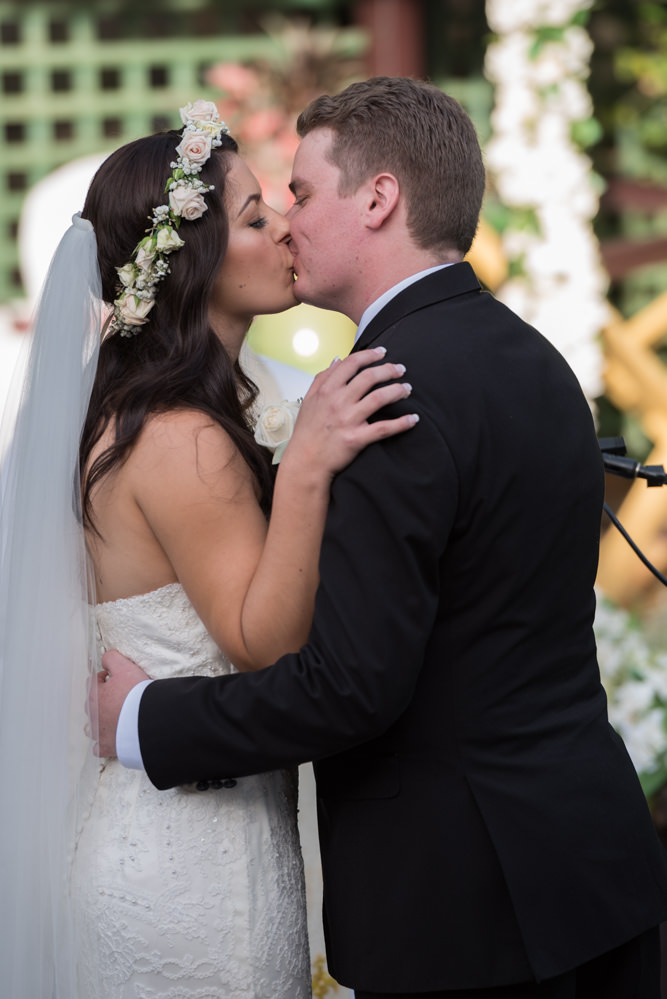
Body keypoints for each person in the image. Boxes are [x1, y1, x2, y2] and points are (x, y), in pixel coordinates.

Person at [95, 77, 667, 999]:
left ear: (378, 198)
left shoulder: (381, 398)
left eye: (303, 193)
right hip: (593, 870)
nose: (290, 219)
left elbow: (350, 688)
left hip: (469, 912)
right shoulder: (532, 356)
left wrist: (141, 721)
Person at [0, 100, 416, 998]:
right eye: (256, 216)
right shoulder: (181, 436)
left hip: (187, 825)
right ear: (192, 259)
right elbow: (261, 643)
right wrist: (305, 464)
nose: (285, 230)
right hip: (191, 864)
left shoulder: (164, 413)